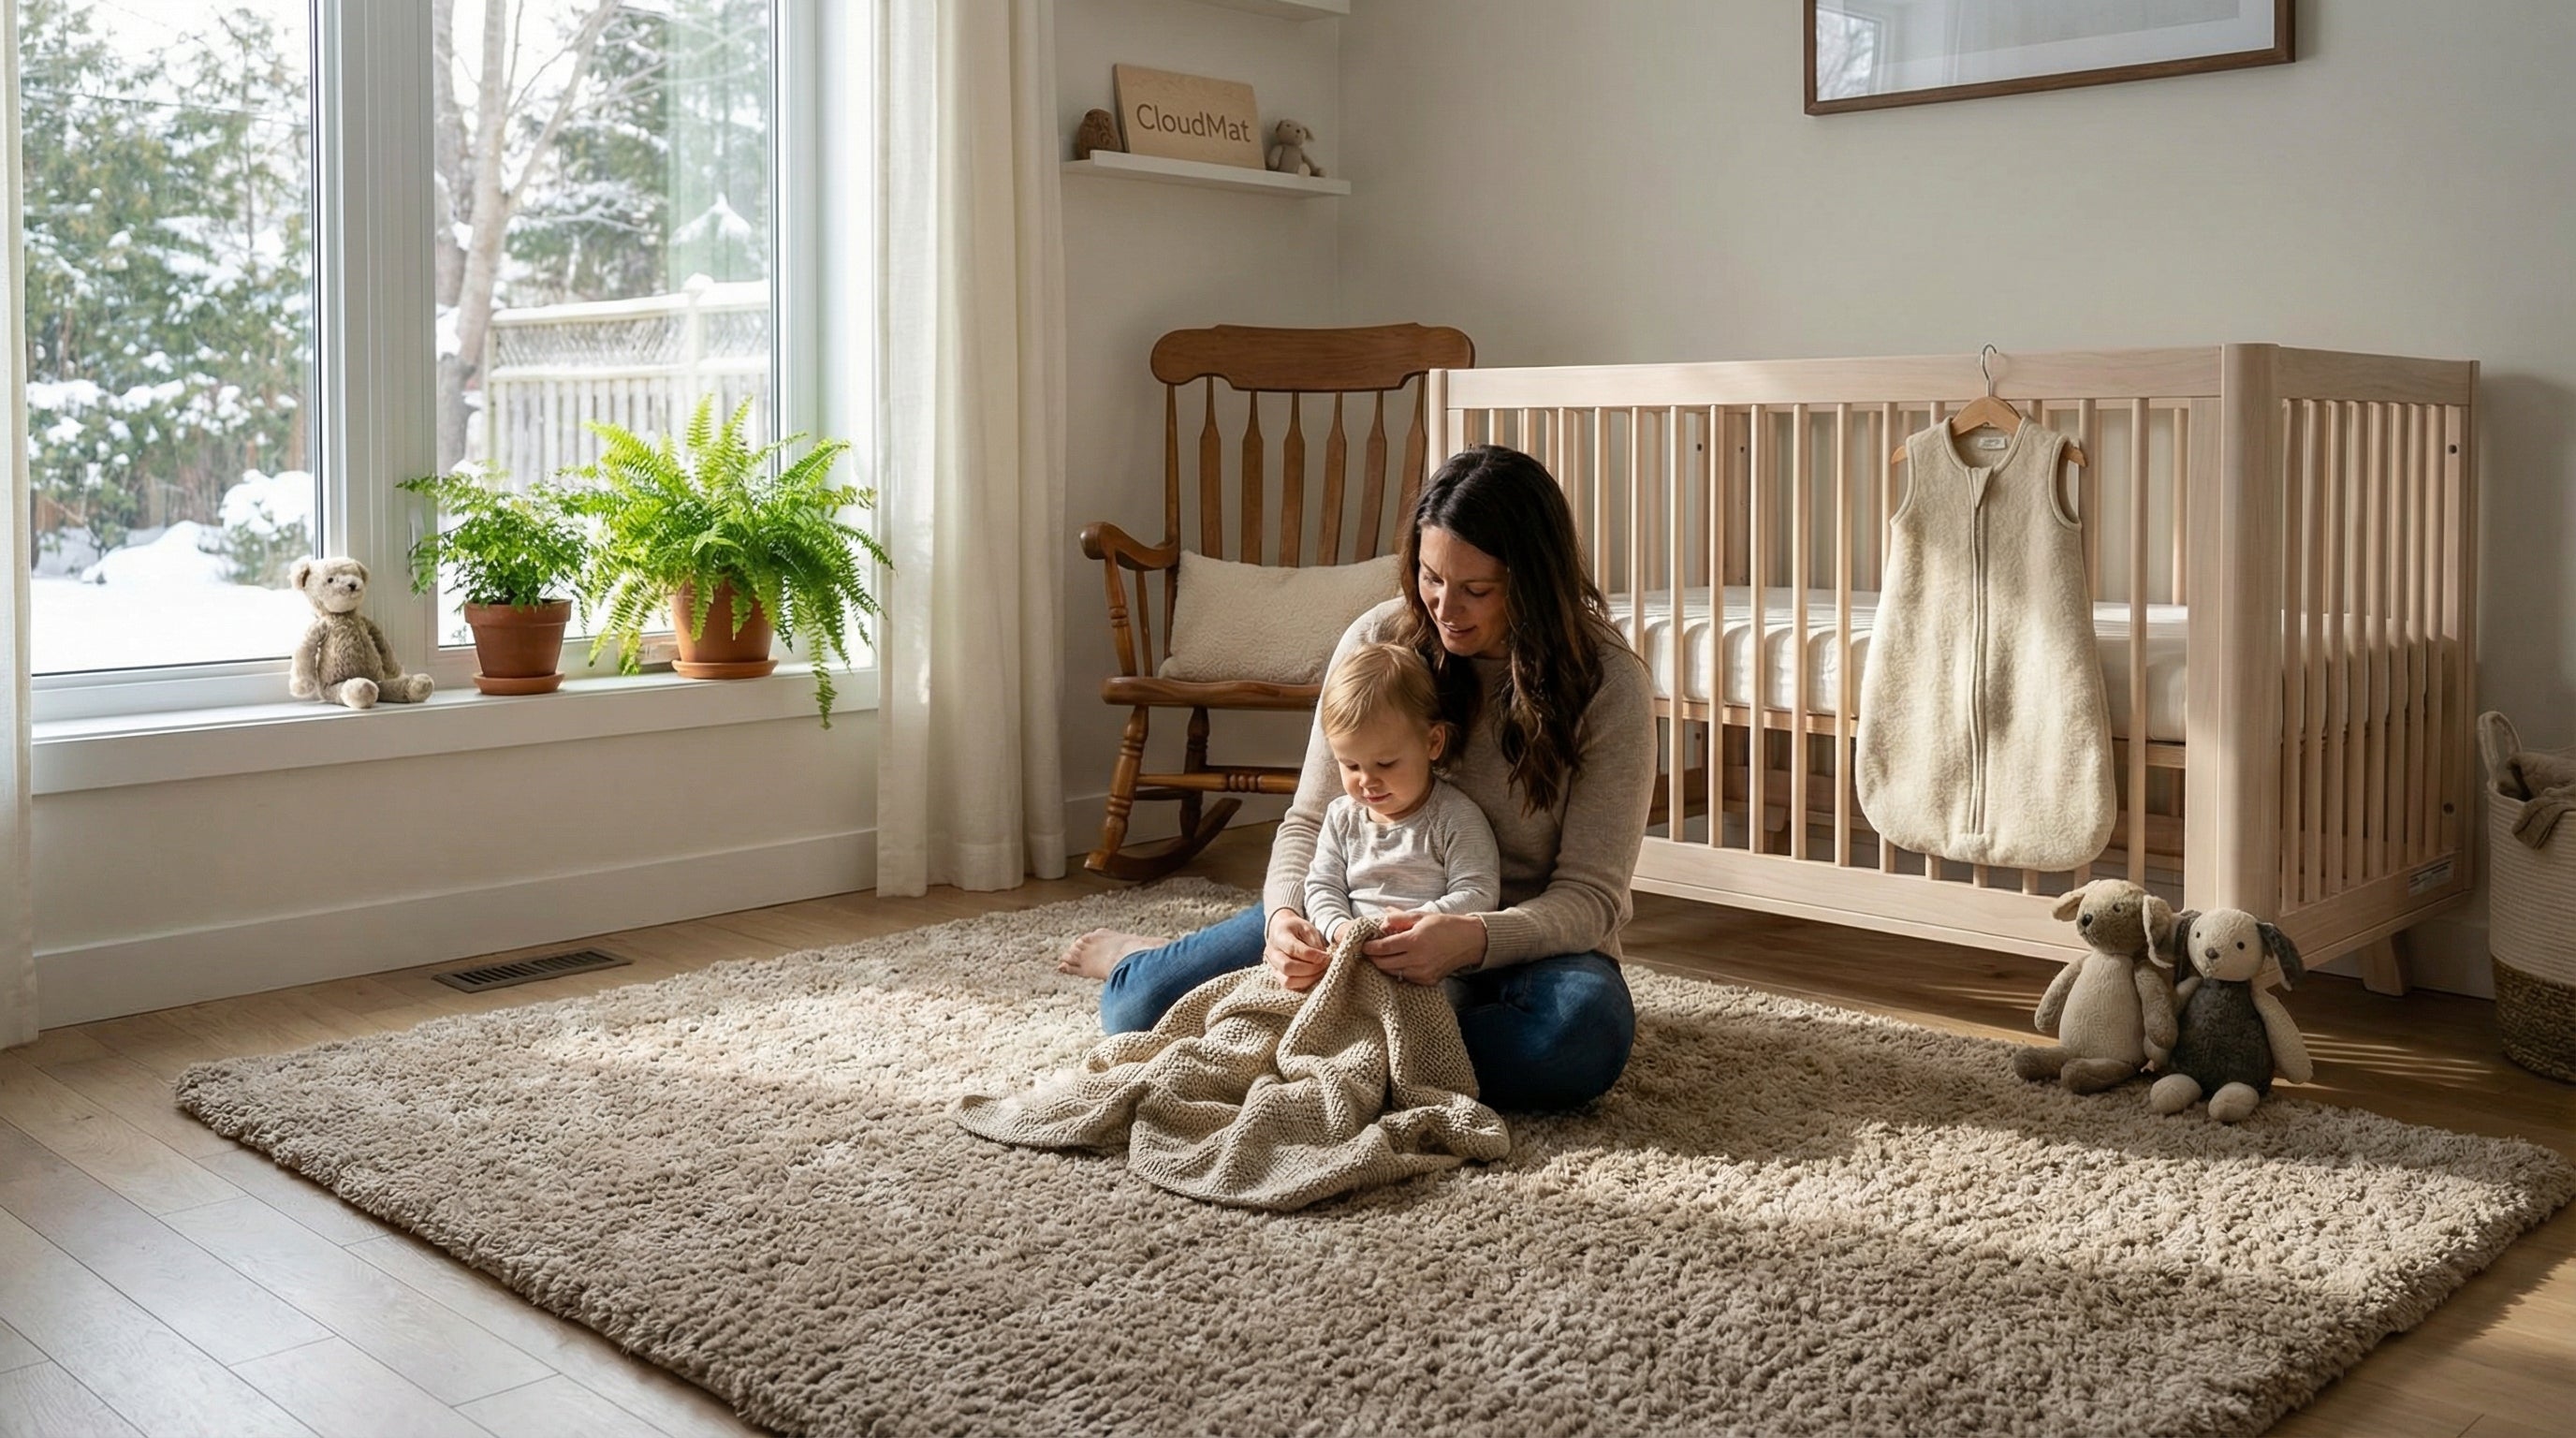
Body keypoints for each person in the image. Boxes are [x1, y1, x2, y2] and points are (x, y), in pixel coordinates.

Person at [1060, 444, 1657, 1110]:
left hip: (1525, 948)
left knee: (1580, 1037)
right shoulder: (1381, 640)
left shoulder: (1608, 683)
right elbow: (1309, 820)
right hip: (1355, 923)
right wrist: (1288, 916)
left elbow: (1591, 897)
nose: (1445, 607)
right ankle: (1178, 968)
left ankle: (1335, 1042)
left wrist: (1472, 936)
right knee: (1136, 1007)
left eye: (1476, 590)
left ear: (1533, 582)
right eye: (1431, 578)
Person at [1301, 640, 1501, 946]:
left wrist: (1421, 920)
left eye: (1386, 763)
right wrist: (1339, 929)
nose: (1367, 781)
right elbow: (1322, 887)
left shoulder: (1455, 818)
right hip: (1352, 954)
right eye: (1351, 765)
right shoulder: (1341, 818)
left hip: (1429, 959)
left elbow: (1479, 893)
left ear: (1433, 743)